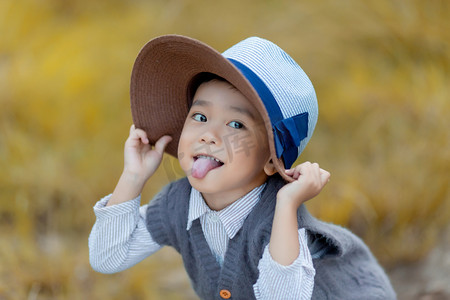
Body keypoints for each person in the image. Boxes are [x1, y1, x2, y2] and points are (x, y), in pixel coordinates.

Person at [89, 35, 396, 299]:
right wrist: (133, 177)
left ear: (269, 159)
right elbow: (107, 256)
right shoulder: (179, 205)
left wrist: (288, 204)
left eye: (236, 124)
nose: (209, 135)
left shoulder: (278, 223)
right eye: (200, 117)